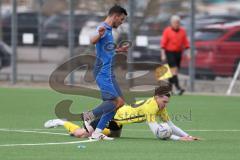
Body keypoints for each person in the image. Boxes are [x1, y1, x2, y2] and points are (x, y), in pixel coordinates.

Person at [44, 81, 199, 141]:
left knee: (113, 135)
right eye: (164, 101)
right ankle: (61, 121)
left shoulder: (160, 107)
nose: (165, 105)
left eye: (167, 102)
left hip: (119, 121)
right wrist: (178, 139)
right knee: (82, 134)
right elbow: (156, 132)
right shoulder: (151, 107)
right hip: (112, 116)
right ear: (156, 97)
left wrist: (188, 136)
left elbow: (170, 125)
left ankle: (88, 126)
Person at [79, 5, 129, 140]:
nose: (122, 22)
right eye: (122, 19)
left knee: (119, 102)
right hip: (102, 72)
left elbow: (106, 48)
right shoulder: (103, 27)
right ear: (116, 16)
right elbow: (93, 39)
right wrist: (98, 34)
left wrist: (118, 50)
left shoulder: (109, 30)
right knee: (115, 102)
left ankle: (95, 131)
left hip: (108, 72)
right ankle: (88, 116)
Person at [161, 15, 190, 95]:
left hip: (178, 53)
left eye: (178, 22)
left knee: (173, 71)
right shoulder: (167, 31)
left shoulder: (182, 31)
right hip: (169, 52)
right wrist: (163, 54)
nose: (176, 24)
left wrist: (188, 53)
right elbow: (163, 44)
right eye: (175, 22)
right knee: (174, 70)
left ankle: (169, 89)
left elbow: (186, 43)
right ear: (171, 23)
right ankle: (178, 87)